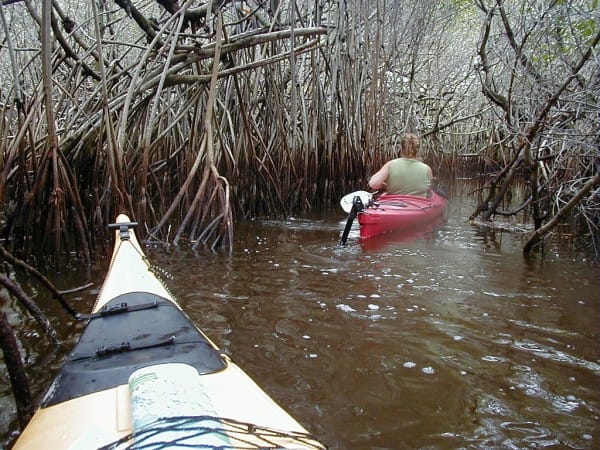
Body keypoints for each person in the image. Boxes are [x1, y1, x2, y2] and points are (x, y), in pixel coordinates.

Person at [368, 133, 432, 197]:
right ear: (418, 150)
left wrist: (385, 185)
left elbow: (373, 184)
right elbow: (428, 188)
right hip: (420, 205)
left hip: (394, 203)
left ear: (401, 148)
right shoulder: (426, 169)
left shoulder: (391, 165)